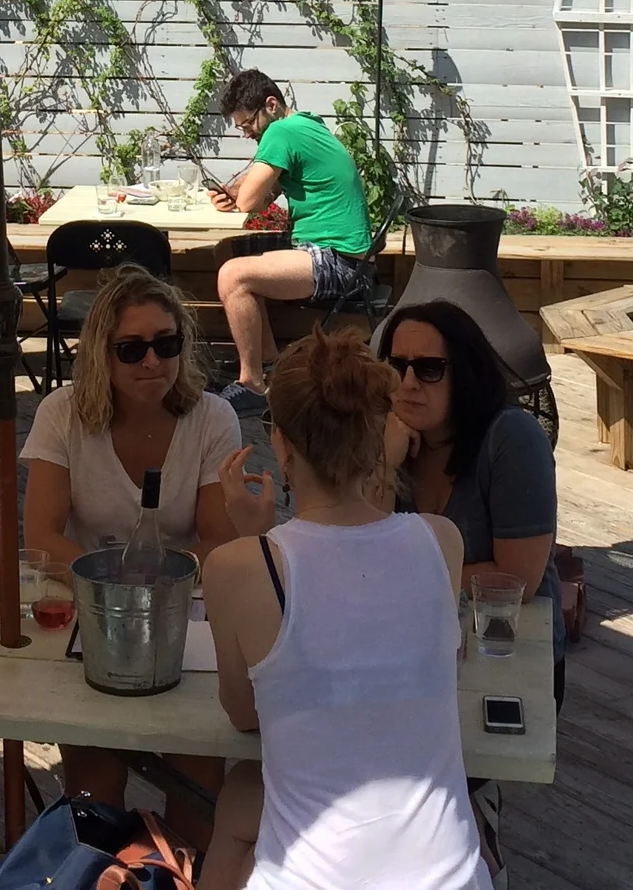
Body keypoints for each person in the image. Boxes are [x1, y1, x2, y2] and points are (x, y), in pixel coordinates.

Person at [200, 329, 487, 890]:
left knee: (239, 792)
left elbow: (245, 714)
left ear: (281, 444)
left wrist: (256, 541)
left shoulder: (239, 568)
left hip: (310, 881)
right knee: (244, 797)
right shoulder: (441, 541)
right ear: (380, 434)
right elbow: (362, 565)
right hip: (449, 878)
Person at [25, 267, 243, 819]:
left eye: (167, 344)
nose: (153, 361)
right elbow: (40, 536)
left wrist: (148, 586)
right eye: (132, 349)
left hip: (188, 618)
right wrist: (119, 587)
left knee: (198, 796)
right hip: (91, 617)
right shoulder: (63, 413)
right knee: (93, 799)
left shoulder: (212, 416)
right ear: (101, 352)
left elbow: (220, 540)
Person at [373, 301, 561, 702]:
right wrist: (386, 466)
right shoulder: (385, 435)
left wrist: (398, 573)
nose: (407, 383)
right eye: (396, 366)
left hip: (508, 649)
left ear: (466, 376)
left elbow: (518, 583)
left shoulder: (513, 439)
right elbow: (361, 549)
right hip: (412, 647)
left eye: (428, 369)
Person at [209, 70, 373, 398]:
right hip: (345, 257)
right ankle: (270, 367)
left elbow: (251, 200)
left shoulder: (282, 131)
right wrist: (235, 195)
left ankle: (251, 384)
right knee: (230, 256)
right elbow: (265, 197)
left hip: (337, 262)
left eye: (247, 124)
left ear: (271, 105)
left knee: (232, 276)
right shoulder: (307, 126)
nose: (246, 134)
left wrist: (239, 196)